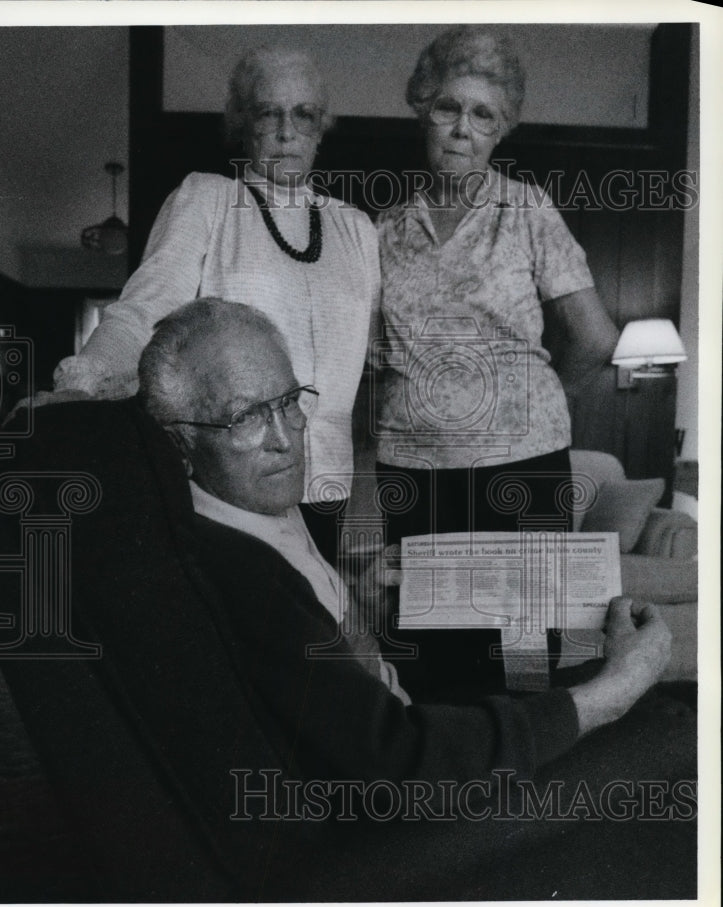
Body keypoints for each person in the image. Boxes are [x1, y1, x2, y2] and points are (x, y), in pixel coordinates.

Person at [137, 295, 672, 786]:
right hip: (405, 798)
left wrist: (362, 610)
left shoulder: (261, 509)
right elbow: (395, 759)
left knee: (622, 694)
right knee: (656, 734)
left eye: (288, 401)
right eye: (245, 417)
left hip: (411, 721)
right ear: (178, 445)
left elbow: (332, 682)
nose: (285, 439)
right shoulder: (242, 570)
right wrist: (611, 695)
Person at [52, 46, 380, 564]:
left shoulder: (356, 228)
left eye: (304, 115)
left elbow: (374, 363)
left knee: (313, 630)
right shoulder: (207, 200)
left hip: (328, 485)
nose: (286, 131)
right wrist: (81, 384)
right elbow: (143, 311)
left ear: (321, 129)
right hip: (233, 473)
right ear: (242, 124)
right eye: (269, 112)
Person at [373, 27, 621, 701]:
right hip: (416, 469)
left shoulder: (527, 212)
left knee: (521, 654)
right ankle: (440, 790)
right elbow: (367, 357)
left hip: (520, 464)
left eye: (482, 115)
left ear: (502, 129)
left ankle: (515, 793)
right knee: (429, 656)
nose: (461, 129)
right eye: (448, 107)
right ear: (423, 109)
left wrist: (533, 402)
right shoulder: (384, 231)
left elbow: (596, 336)